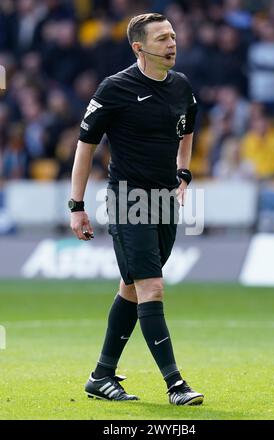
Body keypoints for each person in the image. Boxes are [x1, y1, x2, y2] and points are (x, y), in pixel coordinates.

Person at [69, 12, 204, 406]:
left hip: (164, 200)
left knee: (131, 288)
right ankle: (176, 385)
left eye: (174, 36)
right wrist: (77, 205)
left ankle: (101, 375)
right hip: (128, 200)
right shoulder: (115, 88)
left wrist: (183, 171)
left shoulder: (181, 86)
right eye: (162, 38)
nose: (172, 44)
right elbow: (85, 146)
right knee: (152, 287)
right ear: (139, 47)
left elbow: (188, 129)